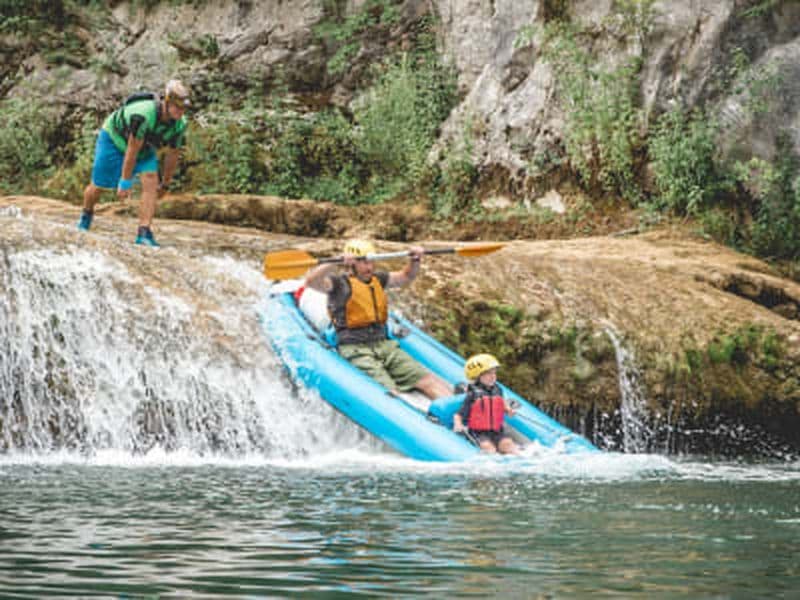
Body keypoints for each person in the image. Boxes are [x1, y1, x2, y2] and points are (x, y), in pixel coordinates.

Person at [304, 239, 452, 400]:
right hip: (355, 349)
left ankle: (458, 414)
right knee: (389, 391)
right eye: (363, 262)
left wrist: (415, 260)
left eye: (371, 262)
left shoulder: (378, 279)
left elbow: (407, 276)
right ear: (351, 264)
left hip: (385, 345)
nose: (369, 266)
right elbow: (312, 282)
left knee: (429, 381)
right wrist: (336, 261)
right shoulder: (338, 284)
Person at [77, 79, 191, 247]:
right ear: (166, 103)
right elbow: (132, 149)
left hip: (144, 147)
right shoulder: (143, 115)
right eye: (177, 107)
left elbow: (173, 154)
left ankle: (144, 232)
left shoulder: (180, 125)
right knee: (98, 186)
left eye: (184, 108)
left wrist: (165, 184)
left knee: (151, 179)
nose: (181, 111)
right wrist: (125, 181)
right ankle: (86, 214)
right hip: (113, 141)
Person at [453, 353, 519, 454]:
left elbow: (501, 403)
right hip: (478, 433)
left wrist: (508, 410)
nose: (493, 376)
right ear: (477, 376)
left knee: (509, 445)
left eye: (494, 373)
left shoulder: (498, 390)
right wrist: (458, 425)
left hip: (497, 431)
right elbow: (458, 415)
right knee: (488, 448)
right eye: (488, 373)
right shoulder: (472, 394)